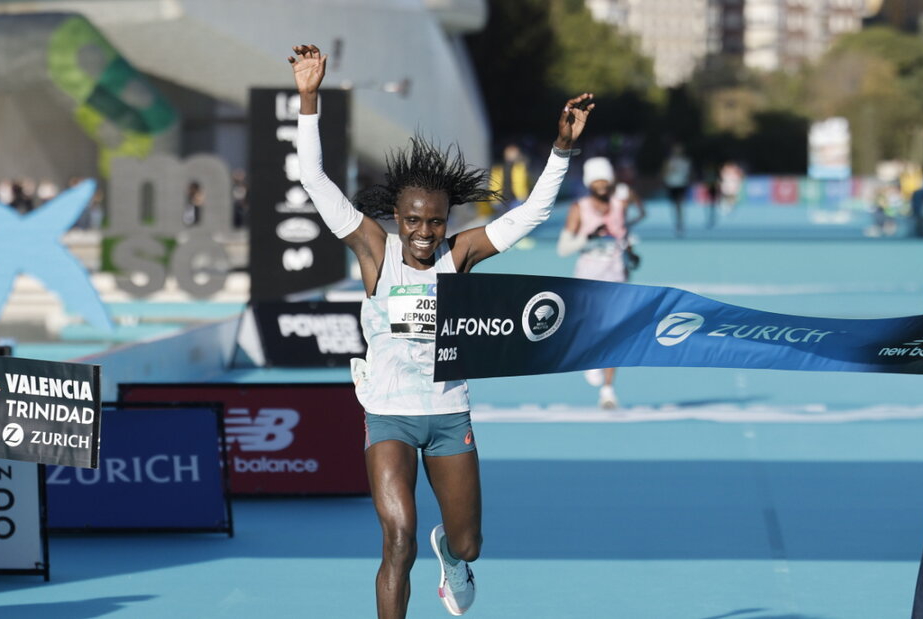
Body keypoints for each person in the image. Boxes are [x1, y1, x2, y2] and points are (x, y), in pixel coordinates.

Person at [289, 43, 593, 618]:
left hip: (450, 414)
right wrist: (308, 97)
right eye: (412, 222)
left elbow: (530, 216)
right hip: (389, 414)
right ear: (396, 219)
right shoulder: (374, 251)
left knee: (469, 541)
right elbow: (312, 177)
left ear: (446, 221)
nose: (424, 233)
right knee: (398, 537)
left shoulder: (461, 255)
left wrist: (560, 149)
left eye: (434, 221)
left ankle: (453, 563)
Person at [557, 157, 636, 409]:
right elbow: (563, 249)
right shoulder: (579, 209)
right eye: (597, 180)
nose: (602, 184)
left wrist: (630, 253)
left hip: (616, 277)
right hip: (588, 279)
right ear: (590, 182)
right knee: (590, 330)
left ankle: (608, 390)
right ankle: (590, 360)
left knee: (615, 334)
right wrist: (586, 237)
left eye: (605, 179)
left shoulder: (618, 206)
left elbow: (623, 238)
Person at [662, 143, 691, 237]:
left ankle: (680, 224)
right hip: (672, 184)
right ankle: (677, 223)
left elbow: (689, 172)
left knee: (680, 204)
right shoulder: (669, 161)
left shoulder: (685, 161)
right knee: (675, 205)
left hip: (681, 184)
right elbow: (665, 172)